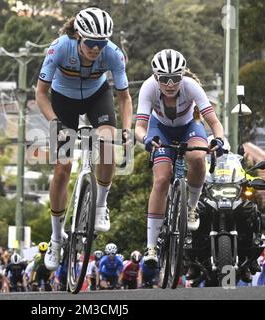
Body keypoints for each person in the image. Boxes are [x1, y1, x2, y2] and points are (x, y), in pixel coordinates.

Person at [36, 7, 133, 271]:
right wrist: (55, 124)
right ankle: (57, 238)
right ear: (79, 35)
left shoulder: (113, 54)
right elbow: (41, 94)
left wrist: (126, 130)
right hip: (62, 101)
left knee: (108, 143)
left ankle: (100, 205)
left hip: (95, 97)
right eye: (91, 43)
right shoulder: (59, 48)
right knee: (63, 167)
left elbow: (124, 98)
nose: (96, 49)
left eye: (101, 43)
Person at [134, 49, 225, 272]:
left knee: (197, 156)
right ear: (156, 77)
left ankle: (192, 207)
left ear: (182, 75)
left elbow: (214, 122)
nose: (170, 84)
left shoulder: (191, 86)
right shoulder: (148, 87)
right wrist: (145, 139)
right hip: (160, 130)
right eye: (164, 79)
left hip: (188, 128)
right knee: (162, 179)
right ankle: (151, 247)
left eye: (175, 78)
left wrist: (219, 140)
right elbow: (139, 127)